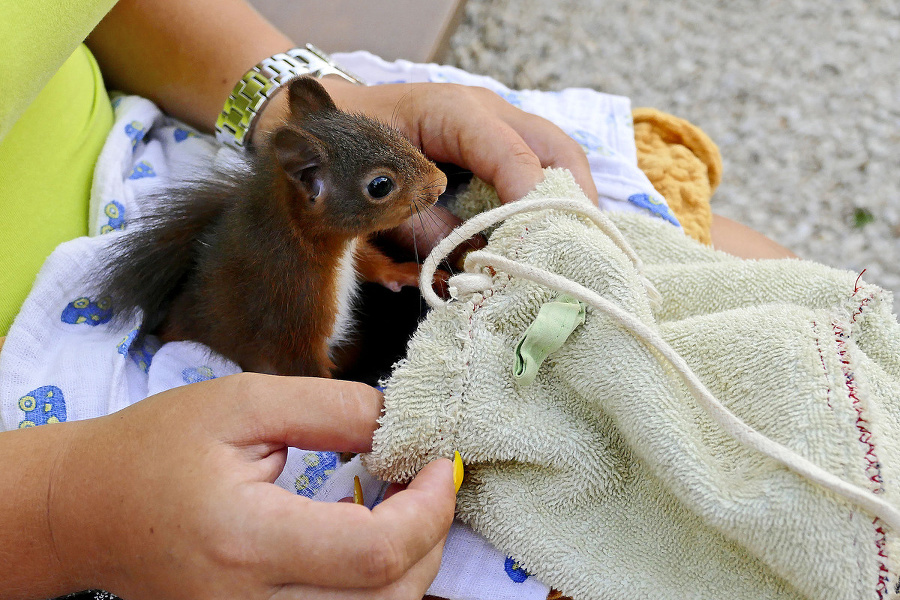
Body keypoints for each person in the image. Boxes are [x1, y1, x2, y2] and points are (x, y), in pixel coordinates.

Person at [0, 0, 795, 598]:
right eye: (389, 184)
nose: (426, 188)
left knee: (746, 297)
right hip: (84, 445)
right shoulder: (283, 277)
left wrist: (271, 89)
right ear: (312, 191)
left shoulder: (311, 224)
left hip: (144, 152)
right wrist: (59, 506)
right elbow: (298, 355)